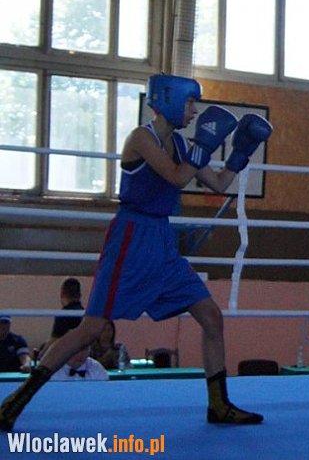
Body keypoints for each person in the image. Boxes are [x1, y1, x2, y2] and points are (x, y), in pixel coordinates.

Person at [0, 74, 273, 431]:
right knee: (90, 329)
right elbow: (176, 177)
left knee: (211, 316)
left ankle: (219, 404)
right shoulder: (141, 138)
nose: (194, 111)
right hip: (131, 238)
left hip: (162, 240)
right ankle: (16, 400)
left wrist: (240, 152)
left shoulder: (181, 143)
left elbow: (219, 184)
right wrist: (204, 144)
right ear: (170, 100)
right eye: (190, 102)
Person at [41, 277, 85, 355]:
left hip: (68, 356)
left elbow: (54, 341)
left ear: (62, 294)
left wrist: (40, 356)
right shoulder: (85, 315)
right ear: (80, 295)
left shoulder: (64, 315)